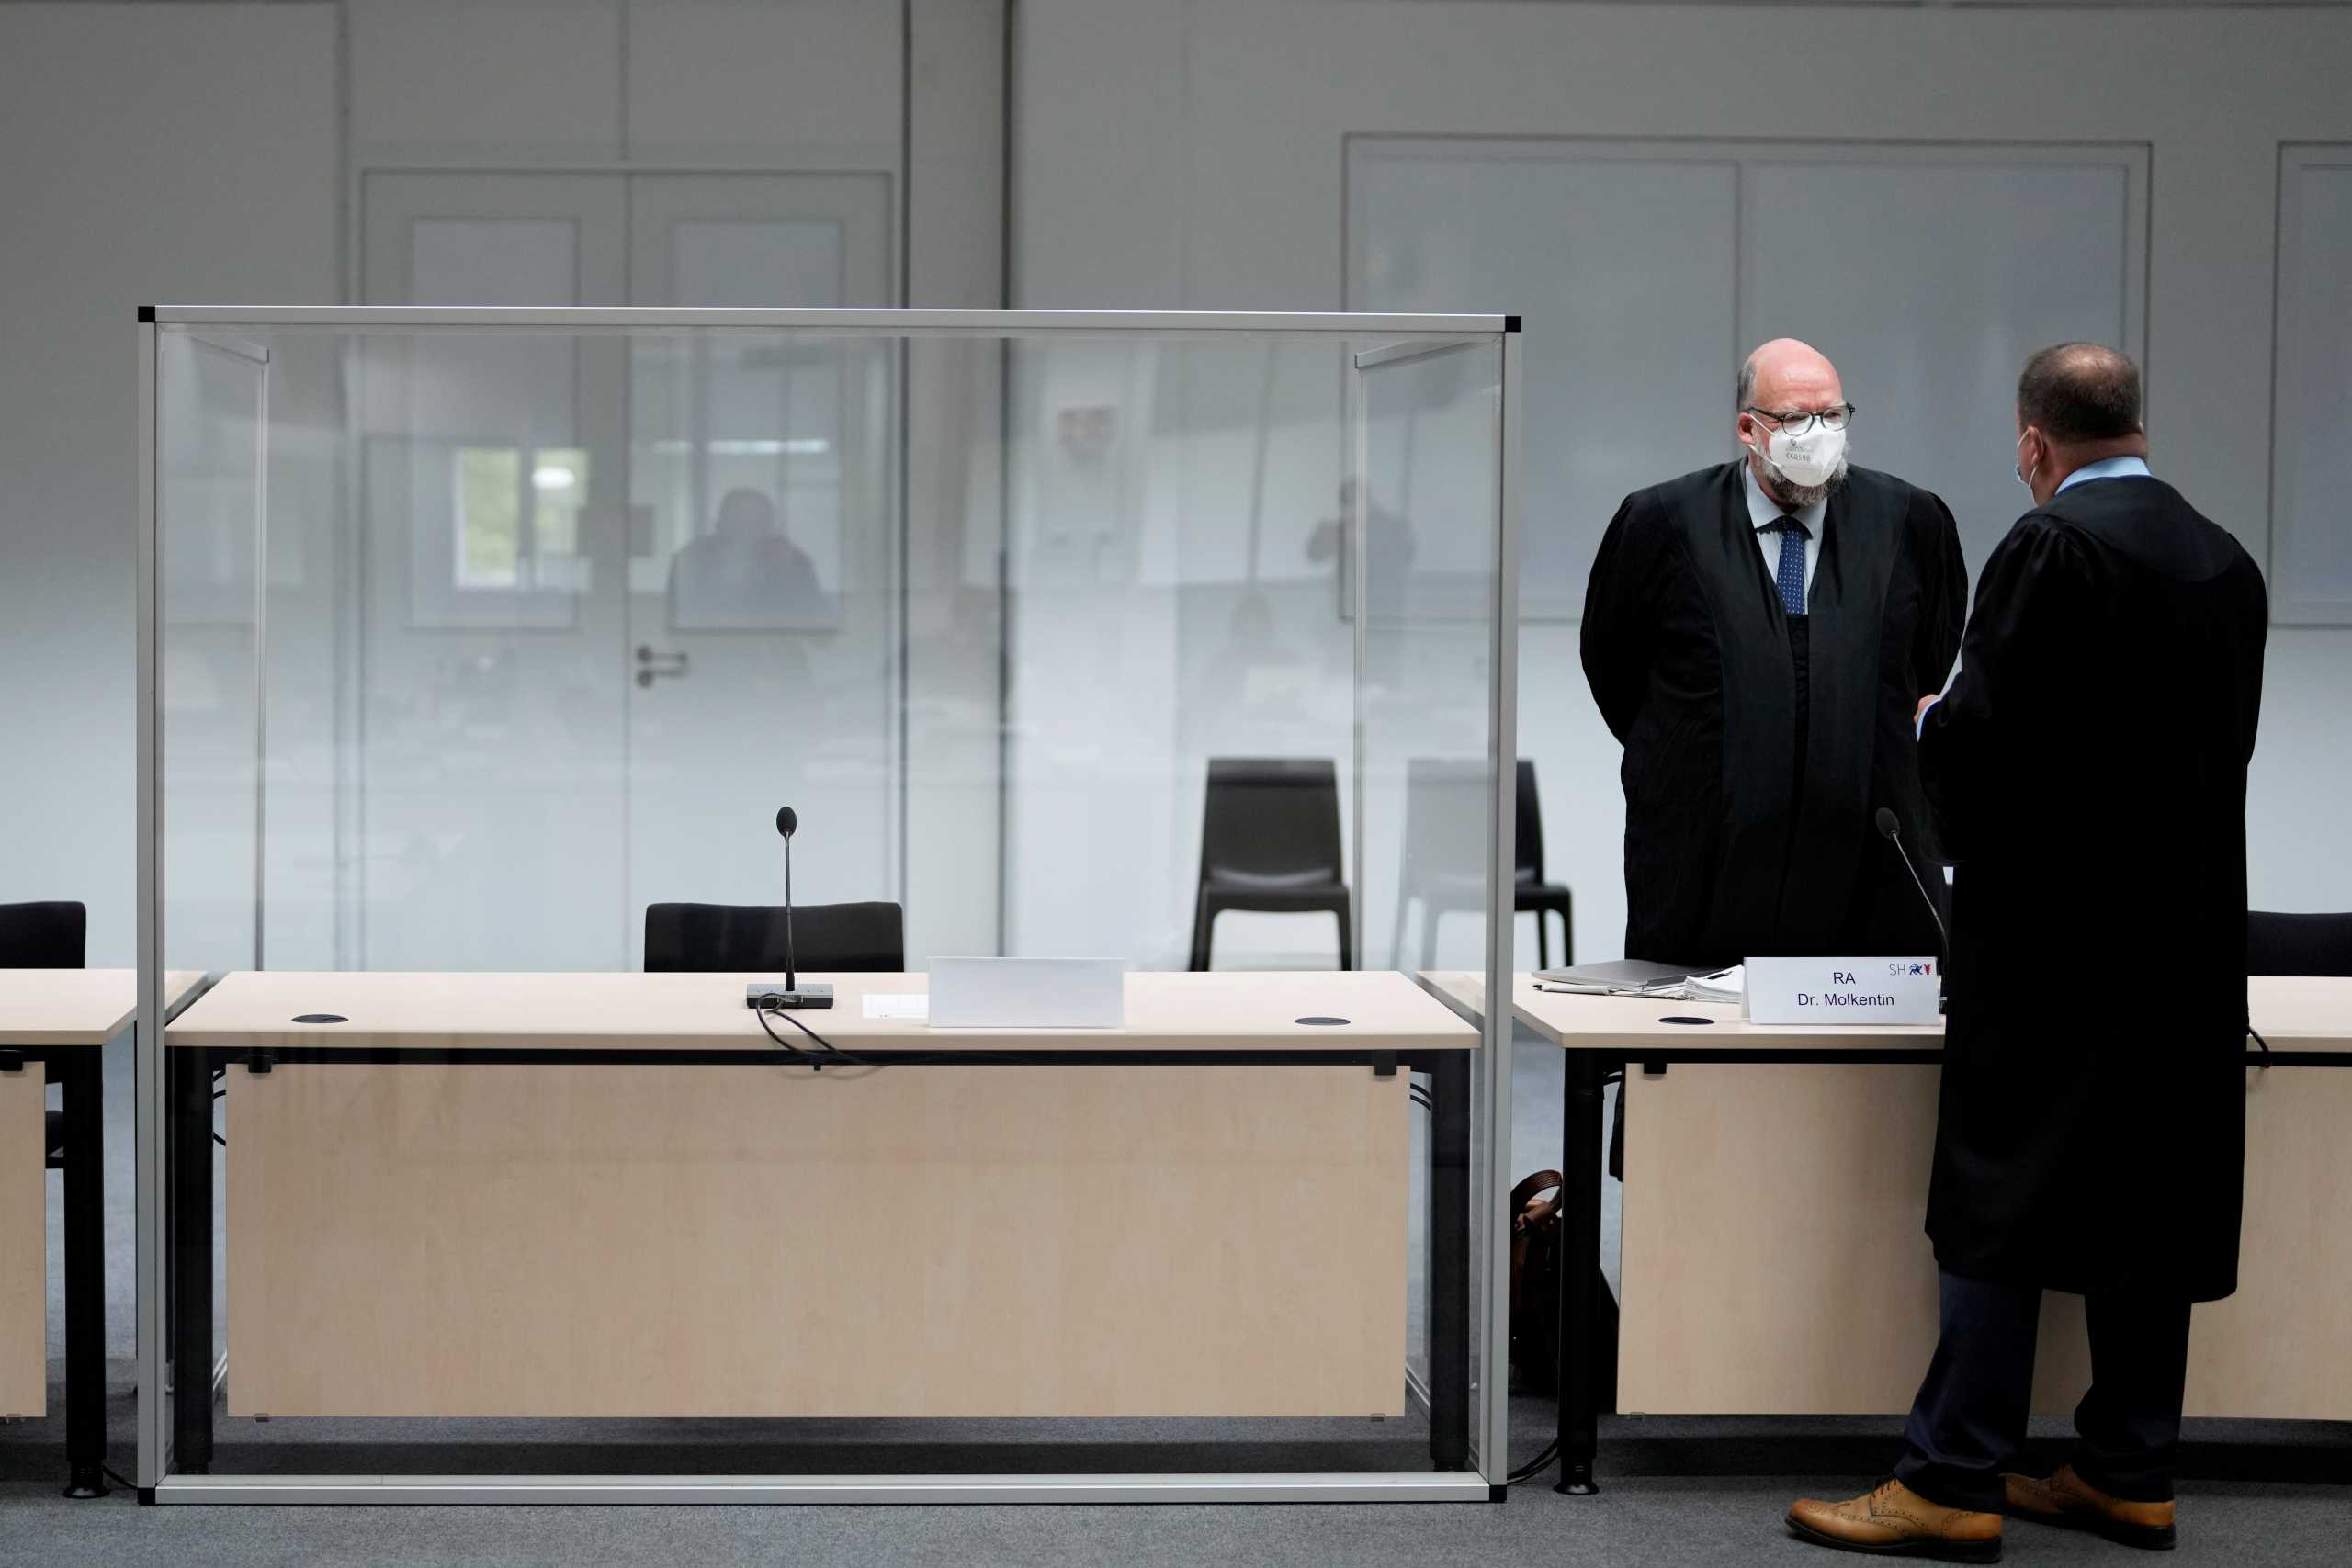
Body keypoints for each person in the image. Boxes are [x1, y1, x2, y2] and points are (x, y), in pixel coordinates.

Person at [1787, 344, 2268, 1560]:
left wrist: (1932, 728)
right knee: (2150, 1205)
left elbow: (1985, 745)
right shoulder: (2228, 562)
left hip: (2055, 952)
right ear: (2137, 426)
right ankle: (2127, 1467)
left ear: (2035, 444)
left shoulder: (2049, 546)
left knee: (1999, 1203)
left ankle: (1953, 1472)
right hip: (2189, 951)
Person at [1581, 339, 1966, 968]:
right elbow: (1615, 664)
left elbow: (1929, 655)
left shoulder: (1909, 521)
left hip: (1868, 866)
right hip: (1706, 865)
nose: (1816, 434)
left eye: (1832, 416)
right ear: (1748, 428)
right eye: (1793, 418)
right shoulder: (1664, 521)